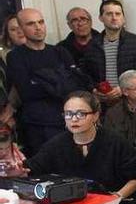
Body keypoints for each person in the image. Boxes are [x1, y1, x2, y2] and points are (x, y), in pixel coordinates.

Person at [6, 8, 91, 155]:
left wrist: (42, 80)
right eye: (31, 24)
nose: (38, 27)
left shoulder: (60, 51)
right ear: (21, 29)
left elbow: (76, 85)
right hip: (38, 125)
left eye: (41, 22)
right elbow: (28, 92)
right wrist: (60, 80)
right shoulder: (16, 57)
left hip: (68, 121)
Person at [82, 0, 136, 106]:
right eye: (109, 14)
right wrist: (93, 89)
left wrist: (123, 88)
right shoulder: (92, 45)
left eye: (118, 14)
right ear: (101, 18)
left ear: (123, 18)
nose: (114, 18)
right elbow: (85, 74)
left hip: (131, 102)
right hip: (102, 104)